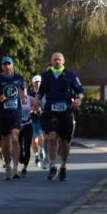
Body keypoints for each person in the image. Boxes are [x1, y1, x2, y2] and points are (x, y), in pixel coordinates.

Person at [35, 52, 85, 181]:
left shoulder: (70, 75)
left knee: (64, 141)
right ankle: (52, 165)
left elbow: (80, 92)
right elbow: (40, 93)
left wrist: (78, 100)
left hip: (66, 111)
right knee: (51, 137)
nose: (57, 61)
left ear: (63, 61)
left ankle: (63, 165)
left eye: (59, 59)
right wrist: (37, 101)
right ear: (51, 61)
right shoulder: (46, 76)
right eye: (55, 59)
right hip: (50, 111)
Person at [0, 56, 29, 180]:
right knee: (4, 143)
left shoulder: (19, 78)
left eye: (9, 64)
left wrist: (25, 96)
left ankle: (16, 168)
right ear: (2, 66)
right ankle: (8, 166)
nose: (7, 66)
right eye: (4, 64)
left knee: (15, 137)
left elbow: (24, 88)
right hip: (2, 114)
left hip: (15, 113)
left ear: (12, 65)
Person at [30, 74, 46, 167]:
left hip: (42, 118)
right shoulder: (30, 94)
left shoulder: (44, 93)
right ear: (33, 83)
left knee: (42, 136)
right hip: (33, 118)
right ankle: (36, 156)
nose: (37, 84)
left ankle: (42, 150)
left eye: (39, 82)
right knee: (34, 139)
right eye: (36, 83)